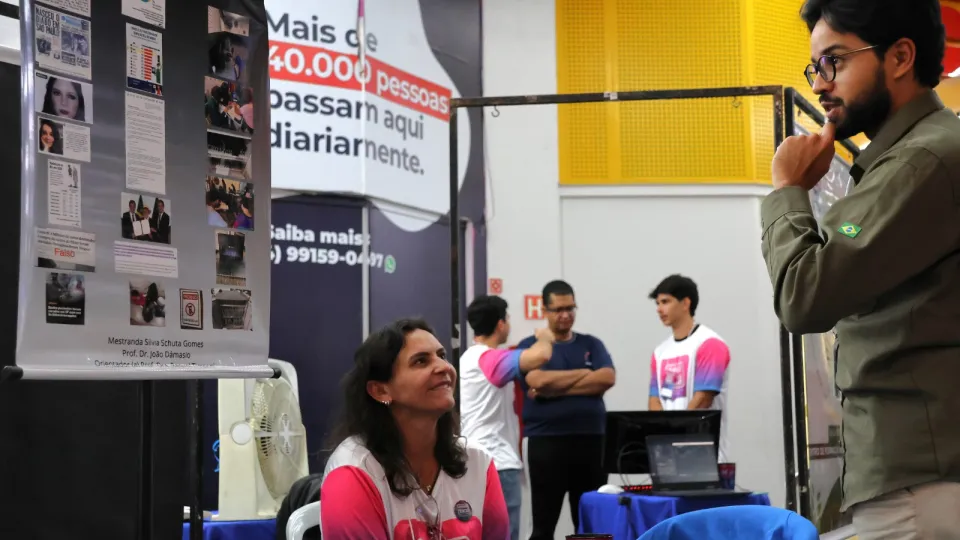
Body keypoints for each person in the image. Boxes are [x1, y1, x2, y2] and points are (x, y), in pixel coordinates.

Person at [763, 1, 960, 538]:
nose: (822, 83)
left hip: (920, 483)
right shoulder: (920, 156)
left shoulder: (922, 162)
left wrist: (787, 192)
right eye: (815, 68)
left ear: (900, 57)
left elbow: (805, 297)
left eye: (834, 62)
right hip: (920, 472)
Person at [321, 318, 510, 539]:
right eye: (421, 361)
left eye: (442, 356)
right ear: (381, 391)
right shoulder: (354, 474)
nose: (444, 367)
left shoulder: (478, 462)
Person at [516, 280, 615, 540]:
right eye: (558, 309)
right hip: (546, 443)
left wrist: (553, 389)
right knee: (542, 525)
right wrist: (585, 375)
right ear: (544, 310)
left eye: (570, 308)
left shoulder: (592, 344)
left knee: (590, 526)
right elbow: (537, 381)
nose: (565, 315)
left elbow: (606, 378)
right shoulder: (530, 346)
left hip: (592, 441)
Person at [461, 295, 555, 540]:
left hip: (475, 459)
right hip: (498, 463)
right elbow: (541, 356)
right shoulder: (488, 358)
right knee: (506, 534)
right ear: (501, 324)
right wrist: (545, 338)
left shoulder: (467, 359)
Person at [646, 275, 731, 462]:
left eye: (666, 302)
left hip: (706, 455)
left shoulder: (710, 344)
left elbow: (703, 400)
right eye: (658, 303)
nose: (659, 309)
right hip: (668, 456)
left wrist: (676, 435)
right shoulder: (660, 352)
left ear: (686, 303)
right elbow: (654, 401)